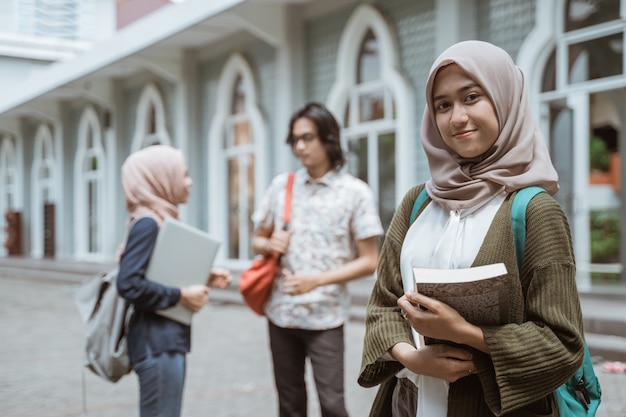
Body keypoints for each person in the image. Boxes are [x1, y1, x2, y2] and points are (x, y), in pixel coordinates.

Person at [358, 40, 585, 417]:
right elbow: (383, 303)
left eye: (472, 96)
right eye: (443, 105)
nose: (457, 117)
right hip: (409, 402)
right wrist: (410, 357)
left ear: (504, 99)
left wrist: (466, 335)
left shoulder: (533, 211)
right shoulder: (418, 202)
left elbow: (562, 343)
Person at [251, 102, 384, 417]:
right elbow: (257, 240)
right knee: (290, 405)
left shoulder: (355, 192)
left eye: (308, 138)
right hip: (280, 314)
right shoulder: (282, 186)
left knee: (333, 406)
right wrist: (269, 243)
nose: (299, 146)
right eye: (295, 139)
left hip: (326, 317)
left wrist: (317, 280)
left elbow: (370, 261)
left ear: (328, 139)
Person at [116, 144, 231, 417]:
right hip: (157, 343)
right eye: (183, 174)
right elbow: (129, 283)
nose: (189, 181)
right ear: (160, 178)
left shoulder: (154, 220)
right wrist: (182, 296)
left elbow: (152, 274)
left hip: (162, 342)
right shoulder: (147, 223)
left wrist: (205, 277)